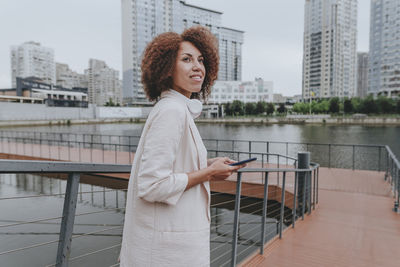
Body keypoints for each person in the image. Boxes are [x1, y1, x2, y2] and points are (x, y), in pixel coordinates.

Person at [119, 26, 245, 267]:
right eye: (186, 59)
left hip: (172, 244)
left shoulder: (176, 109)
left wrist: (207, 164)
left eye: (201, 60)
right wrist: (209, 173)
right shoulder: (172, 111)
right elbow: (152, 185)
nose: (198, 66)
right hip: (167, 252)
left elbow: (171, 164)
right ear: (166, 68)